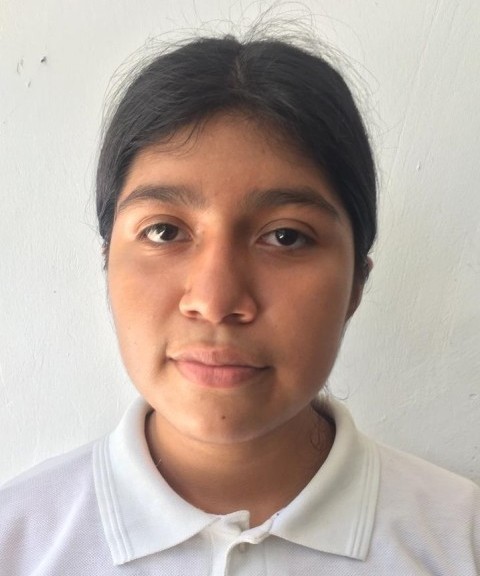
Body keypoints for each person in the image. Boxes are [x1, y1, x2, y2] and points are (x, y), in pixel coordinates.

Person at [0, 33, 478, 575]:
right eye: (164, 231)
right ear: (108, 262)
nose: (215, 301)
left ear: (356, 284)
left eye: (286, 237)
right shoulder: (19, 542)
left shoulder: (460, 540)